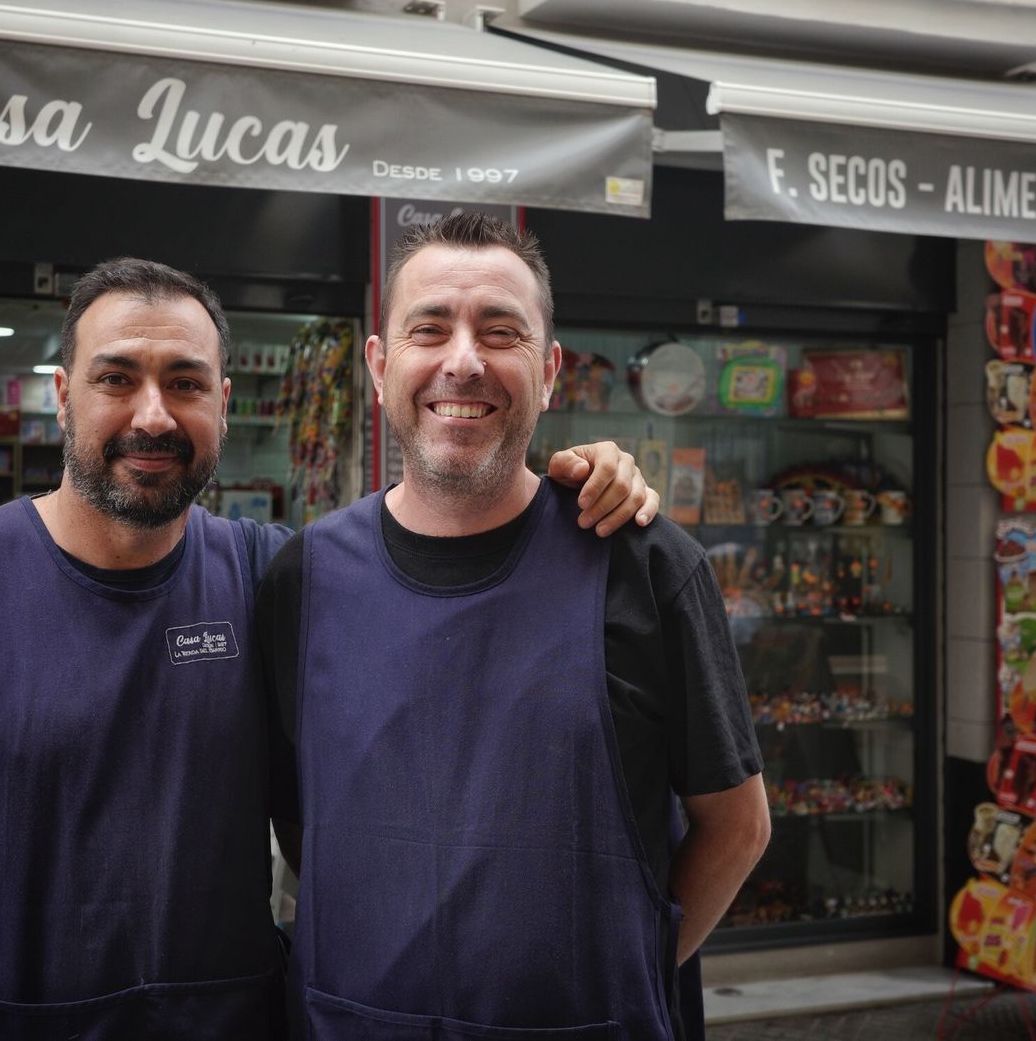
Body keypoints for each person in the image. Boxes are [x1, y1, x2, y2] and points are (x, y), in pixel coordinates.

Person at [0, 256, 659, 1041]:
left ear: (223, 405)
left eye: (186, 383)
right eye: (117, 378)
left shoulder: (283, 581)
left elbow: (443, 591)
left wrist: (574, 488)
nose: (154, 414)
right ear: (62, 391)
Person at [259, 214, 771, 1039]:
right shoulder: (302, 579)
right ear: (380, 364)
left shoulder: (643, 563)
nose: (464, 359)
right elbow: (303, 823)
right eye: (429, 329)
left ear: (549, 369)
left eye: (502, 332)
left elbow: (739, 826)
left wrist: (635, 966)